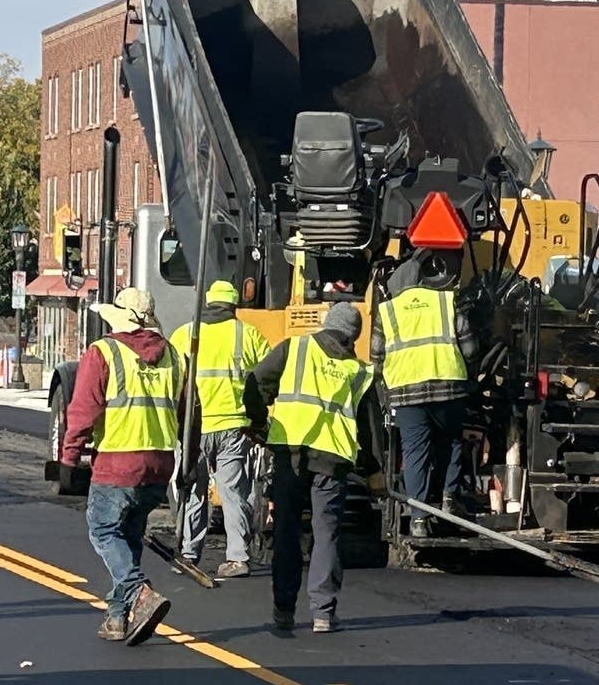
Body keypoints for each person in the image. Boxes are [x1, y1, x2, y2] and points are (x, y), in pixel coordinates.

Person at [58, 288, 178, 645]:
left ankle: (138, 592)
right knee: (129, 536)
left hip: (118, 462)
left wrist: (68, 457)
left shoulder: (104, 353)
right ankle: (117, 618)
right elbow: (191, 412)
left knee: (103, 531)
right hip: (158, 464)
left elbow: (83, 411)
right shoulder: (173, 355)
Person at [247, 303, 372, 634]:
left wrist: (259, 423)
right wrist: (374, 474)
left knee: (287, 530)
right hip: (332, 462)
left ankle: (283, 610)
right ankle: (323, 613)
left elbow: (256, 382)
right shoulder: (359, 371)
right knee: (326, 532)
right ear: (353, 336)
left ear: (325, 324)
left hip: (291, 456)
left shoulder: (295, 348)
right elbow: (369, 428)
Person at [168, 280, 269, 578]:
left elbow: (173, 380)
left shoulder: (185, 334)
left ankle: (188, 554)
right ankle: (237, 557)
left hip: (193, 428)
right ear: (233, 306)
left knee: (192, 491)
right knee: (233, 492)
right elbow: (269, 373)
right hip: (234, 427)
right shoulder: (247, 334)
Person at [372, 250, 476, 536]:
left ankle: (418, 518)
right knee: (451, 441)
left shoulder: (387, 310)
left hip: (406, 394)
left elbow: (376, 357)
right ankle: (448, 499)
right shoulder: (445, 301)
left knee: (416, 452)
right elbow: (469, 348)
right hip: (447, 386)